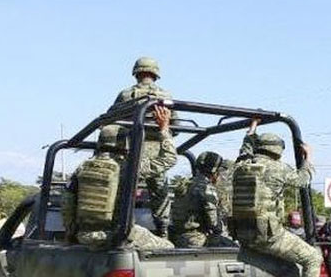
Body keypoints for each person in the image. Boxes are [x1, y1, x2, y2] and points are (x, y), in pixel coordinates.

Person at [230, 119, 322, 277]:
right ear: (277, 151)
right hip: (268, 237)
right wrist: (308, 158)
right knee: (313, 258)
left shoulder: (242, 165)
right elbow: (302, 180)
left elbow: (245, 150)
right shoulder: (277, 168)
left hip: (243, 234)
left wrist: (252, 129)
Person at [62, 109, 175, 251]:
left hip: (85, 236)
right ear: (124, 143)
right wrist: (164, 128)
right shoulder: (130, 166)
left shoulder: (82, 168)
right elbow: (169, 159)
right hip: (117, 236)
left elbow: (67, 203)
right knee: (169, 247)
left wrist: (70, 234)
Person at [110, 57, 177, 237]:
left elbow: (111, 121)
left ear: (136, 73)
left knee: (125, 191)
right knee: (160, 194)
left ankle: (124, 230)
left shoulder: (125, 95)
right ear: (155, 74)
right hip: (158, 152)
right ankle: (163, 231)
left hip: (132, 150)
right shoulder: (166, 96)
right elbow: (175, 125)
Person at [170, 151, 236, 248]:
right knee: (235, 249)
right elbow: (214, 224)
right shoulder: (206, 188)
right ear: (214, 171)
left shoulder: (186, 184)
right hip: (194, 239)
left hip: (177, 236)